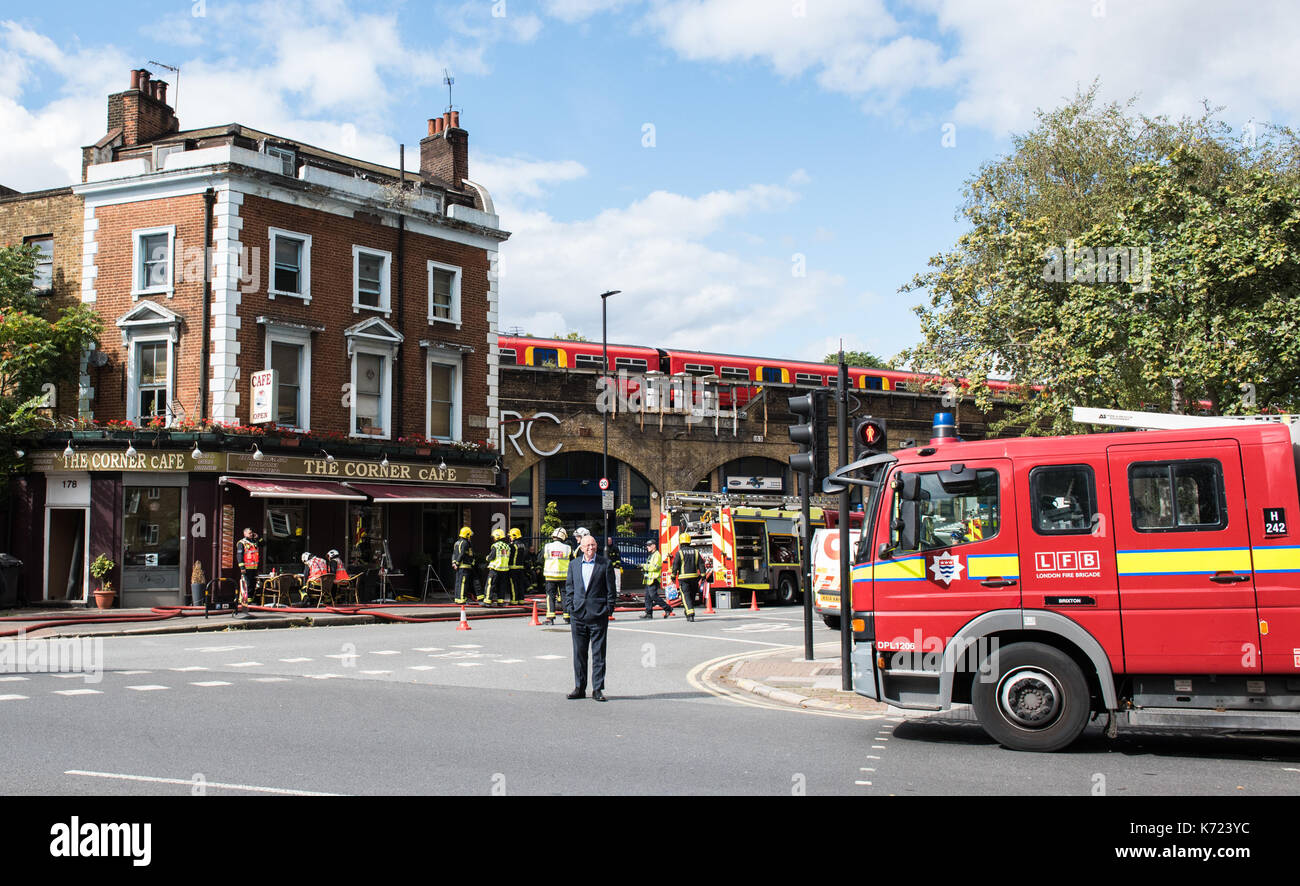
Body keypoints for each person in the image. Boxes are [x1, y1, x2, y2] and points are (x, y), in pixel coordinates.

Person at [563, 533, 617, 702]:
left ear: (596, 546)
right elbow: (569, 588)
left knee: (598, 654)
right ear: (581, 548)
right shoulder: (573, 564)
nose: (590, 548)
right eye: (587, 545)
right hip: (578, 615)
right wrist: (570, 608)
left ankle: (597, 689)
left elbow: (611, 590)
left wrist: (608, 609)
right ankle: (579, 687)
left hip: (598, 615)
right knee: (579, 654)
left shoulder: (605, 564)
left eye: (593, 545)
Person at [540, 527, 571, 625]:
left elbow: (540, 559)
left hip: (550, 576)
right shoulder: (567, 547)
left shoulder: (547, 547)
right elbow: (573, 560)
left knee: (550, 596)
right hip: (564, 576)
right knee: (565, 596)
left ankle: (550, 617)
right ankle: (567, 617)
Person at [640, 537, 673, 619]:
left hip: (654, 579)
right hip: (649, 579)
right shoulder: (651, 555)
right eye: (647, 546)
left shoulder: (657, 555)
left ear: (654, 546)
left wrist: (643, 566)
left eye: (649, 545)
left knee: (653, 596)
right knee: (647, 597)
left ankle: (668, 608)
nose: (647, 547)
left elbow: (655, 567)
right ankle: (648, 613)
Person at [670, 533, 700, 622]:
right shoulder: (696, 552)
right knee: (692, 595)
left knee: (686, 595)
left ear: (681, 542)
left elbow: (675, 565)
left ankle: (690, 613)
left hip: (683, 579)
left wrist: (673, 576)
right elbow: (701, 564)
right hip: (694, 577)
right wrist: (703, 575)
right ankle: (689, 611)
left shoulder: (679, 553)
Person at [483, 528, 512, 606]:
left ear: (496, 537)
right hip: (504, 569)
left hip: (495, 569)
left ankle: (487, 601)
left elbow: (491, 557)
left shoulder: (495, 546)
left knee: (490, 584)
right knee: (501, 586)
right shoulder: (507, 546)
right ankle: (500, 601)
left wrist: (487, 558)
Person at [234, 528, 261, 606]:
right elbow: (239, 556)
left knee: (253, 585)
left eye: (252, 533)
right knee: (247, 585)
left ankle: (250, 601)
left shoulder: (254, 542)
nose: (251, 534)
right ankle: (245, 602)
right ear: (244, 534)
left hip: (254, 568)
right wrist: (242, 567)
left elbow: (263, 543)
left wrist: (258, 537)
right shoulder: (241, 543)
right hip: (246, 568)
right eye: (249, 533)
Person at [452, 526, 478, 604]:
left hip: (459, 566)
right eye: (469, 535)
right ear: (467, 535)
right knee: (463, 583)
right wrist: (457, 563)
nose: (470, 537)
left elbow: (454, 554)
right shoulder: (465, 543)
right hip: (464, 566)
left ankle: (457, 598)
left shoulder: (457, 542)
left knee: (458, 582)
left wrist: (454, 563)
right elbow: (462, 554)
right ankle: (462, 599)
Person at [508, 528, 527, 604]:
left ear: (514, 536)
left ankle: (514, 600)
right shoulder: (523, 545)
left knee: (513, 584)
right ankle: (521, 600)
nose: (510, 537)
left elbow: (509, 556)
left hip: (513, 568)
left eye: (510, 536)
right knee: (520, 584)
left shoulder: (512, 545)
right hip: (521, 568)